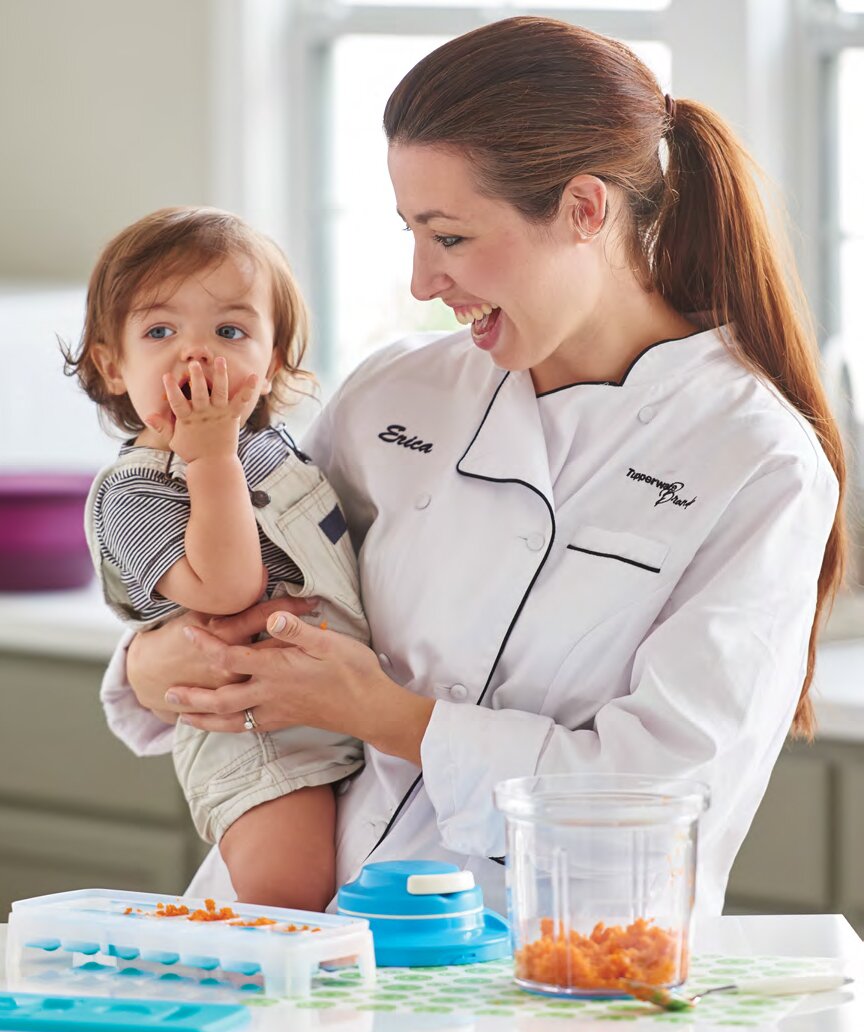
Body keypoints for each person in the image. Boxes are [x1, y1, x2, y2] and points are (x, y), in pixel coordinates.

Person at [97, 17, 845, 918]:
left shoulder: (756, 461)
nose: (421, 280)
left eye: (448, 237)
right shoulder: (393, 392)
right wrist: (150, 665)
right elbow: (250, 592)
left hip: (535, 955)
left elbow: (661, 804)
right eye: (411, 233)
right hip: (281, 934)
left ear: (584, 210)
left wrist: (384, 713)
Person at [67, 206, 369, 910]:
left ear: (271, 365)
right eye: (160, 332)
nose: (196, 357)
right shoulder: (137, 491)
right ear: (113, 366)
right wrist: (208, 460)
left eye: (230, 332)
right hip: (259, 737)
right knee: (290, 895)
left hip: (338, 708)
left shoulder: (267, 449)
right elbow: (226, 589)